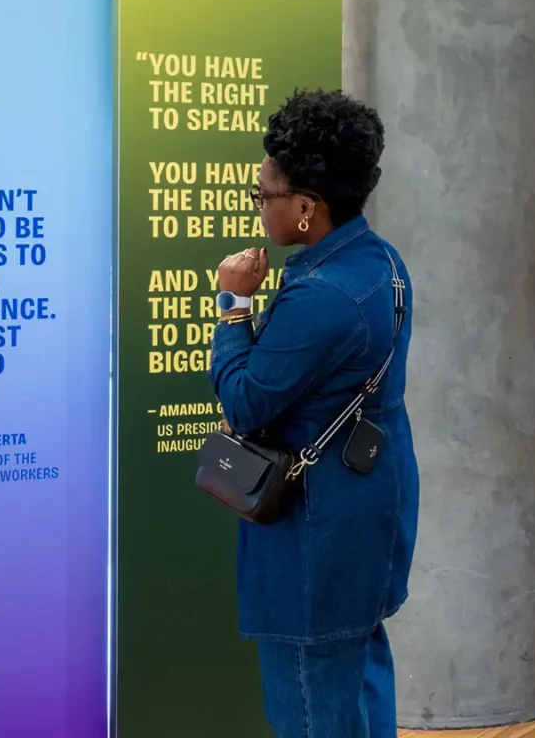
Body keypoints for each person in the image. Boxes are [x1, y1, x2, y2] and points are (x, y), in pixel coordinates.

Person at [211, 90, 417, 738]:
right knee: (358, 673)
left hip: (317, 530)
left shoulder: (323, 297)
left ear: (305, 208)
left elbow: (244, 400)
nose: (257, 203)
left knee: (310, 696)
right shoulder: (380, 262)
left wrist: (232, 305)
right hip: (365, 506)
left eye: (262, 193)